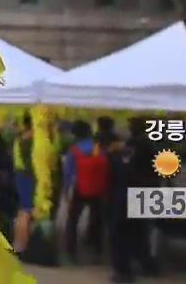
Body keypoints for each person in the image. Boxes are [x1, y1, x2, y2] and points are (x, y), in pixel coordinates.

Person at [108, 119, 161, 282]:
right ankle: (147, 266)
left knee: (120, 234)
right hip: (143, 195)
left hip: (125, 196)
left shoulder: (129, 148)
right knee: (139, 233)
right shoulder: (151, 147)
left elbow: (121, 170)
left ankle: (124, 271)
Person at [63, 120, 108, 262]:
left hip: (78, 189)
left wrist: (66, 191)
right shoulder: (99, 148)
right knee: (97, 219)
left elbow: (68, 173)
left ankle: (71, 252)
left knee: (73, 220)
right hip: (98, 189)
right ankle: (98, 250)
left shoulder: (74, 150)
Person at [12, 114, 36, 253]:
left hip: (20, 175)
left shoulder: (20, 137)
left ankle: (18, 243)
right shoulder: (29, 139)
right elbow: (32, 163)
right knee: (26, 211)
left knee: (22, 210)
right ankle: (21, 245)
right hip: (27, 177)